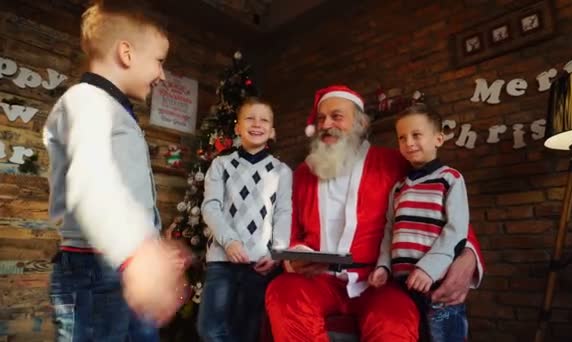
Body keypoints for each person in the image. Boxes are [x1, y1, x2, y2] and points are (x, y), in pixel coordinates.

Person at [265, 85, 484, 342]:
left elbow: (445, 209)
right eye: (321, 118)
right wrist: (297, 254)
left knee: (394, 321)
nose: (326, 124)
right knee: (283, 293)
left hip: (378, 281)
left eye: (336, 116)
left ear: (359, 122)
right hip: (317, 280)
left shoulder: (395, 163)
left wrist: (469, 253)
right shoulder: (302, 173)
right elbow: (288, 230)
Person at [43, 1, 188, 341]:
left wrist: (152, 244)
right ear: (126, 52)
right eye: (159, 61)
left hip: (118, 268)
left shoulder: (112, 109)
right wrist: (137, 254)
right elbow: (92, 180)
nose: (162, 74)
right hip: (96, 272)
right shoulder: (86, 99)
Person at [368, 102, 472, 341]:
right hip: (403, 285)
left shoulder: (450, 179)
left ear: (438, 138)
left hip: (438, 283)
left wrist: (429, 268)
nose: (408, 143)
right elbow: (390, 231)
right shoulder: (399, 188)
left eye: (416, 135)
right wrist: (384, 266)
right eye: (402, 138)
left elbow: (457, 230)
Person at [197, 98, 292, 342]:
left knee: (246, 333)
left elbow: (283, 213)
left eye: (264, 120)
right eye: (250, 118)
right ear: (238, 127)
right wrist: (229, 241)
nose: (257, 124)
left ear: (272, 131)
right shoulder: (221, 165)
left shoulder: (281, 171)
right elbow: (211, 207)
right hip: (222, 258)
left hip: (259, 263)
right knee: (210, 329)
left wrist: (277, 253)